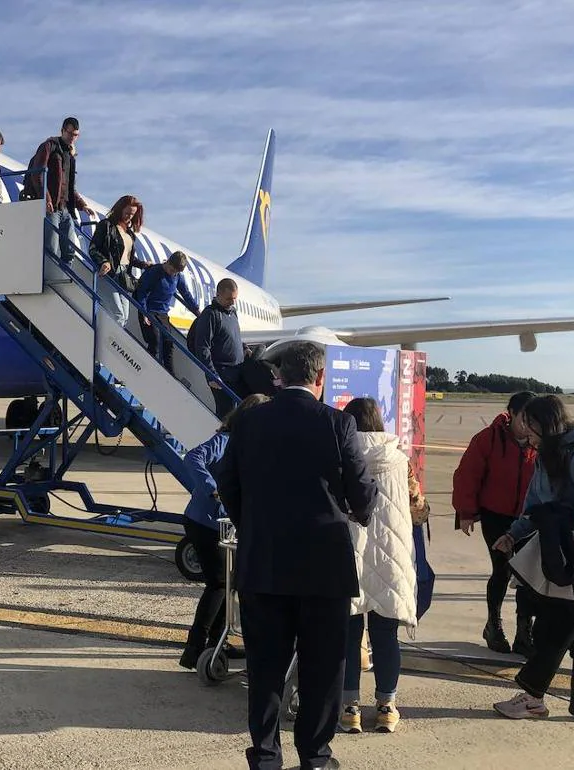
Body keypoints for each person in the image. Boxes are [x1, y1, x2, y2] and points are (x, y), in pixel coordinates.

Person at [216, 342, 378, 770]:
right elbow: (362, 494)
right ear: (320, 379)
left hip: (264, 563)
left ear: (279, 377)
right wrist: (357, 508)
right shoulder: (338, 423)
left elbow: (227, 480)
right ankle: (315, 757)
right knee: (323, 669)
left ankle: (266, 756)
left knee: (265, 668)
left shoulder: (250, 421)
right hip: (323, 567)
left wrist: (252, 524)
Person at [490, 395, 574, 720]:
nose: (524, 429)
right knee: (555, 628)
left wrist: (571, 523)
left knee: (562, 628)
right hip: (556, 554)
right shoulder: (544, 458)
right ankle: (554, 699)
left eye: (529, 422)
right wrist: (513, 534)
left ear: (545, 423)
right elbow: (534, 505)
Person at [338, 397, 418, 735]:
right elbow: (417, 507)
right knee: (386, 636)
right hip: (391, 554)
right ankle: (386, 706)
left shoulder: (340, 455)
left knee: (349, 635)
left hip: (350, 552)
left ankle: (349, 708)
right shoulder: (399, 460)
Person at [177, 393, 271, 670]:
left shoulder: (251, 444)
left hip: (224, 525)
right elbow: (193, 457)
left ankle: (216, 643)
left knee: (229, 585)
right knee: (219, 583)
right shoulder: (226, 440)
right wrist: (212, 489)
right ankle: (195, 648)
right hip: (205, 522)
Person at [452, 390, 539, 655]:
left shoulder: (541, 441)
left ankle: (525, 630)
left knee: (528, 576)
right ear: (511, 414)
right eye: (524, 417)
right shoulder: (488, 439)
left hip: (529, 517)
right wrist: (466, 511)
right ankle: (494, 624)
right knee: (502, 570)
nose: (528, 424)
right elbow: (468, 474)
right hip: (496, 515)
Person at [23, 117, 89, 261]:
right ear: (62, 131)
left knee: (70, 249)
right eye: (70, 133)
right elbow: (38, 173)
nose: (72, 138)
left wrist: (82, 204)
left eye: (75, 135)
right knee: (51, 246)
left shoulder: (69, 155)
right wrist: (46, 198)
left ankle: (63, 276)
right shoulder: (49, 146)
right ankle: (49, 279)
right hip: (51, 207)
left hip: (64, 209)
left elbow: (70, 186)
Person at [88, 195, 151, 328]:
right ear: (120, 209)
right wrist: (104, 261)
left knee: (125, 317)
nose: (129, 216)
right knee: (118, 315)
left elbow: (129, 258)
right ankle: (108, 345)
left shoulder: (130, 234)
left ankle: (110, 342)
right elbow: (93, 248)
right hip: (109, 274)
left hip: (123, 277)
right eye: (127, 212)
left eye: (132, 214)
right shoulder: (106, 225)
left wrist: (143, 264)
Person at [187, 278, 246, 418]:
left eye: (235, 299)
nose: (232, 302)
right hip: (222, 376)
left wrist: (244, 348)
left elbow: (233, 336)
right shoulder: (210, 315)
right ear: (218, 295)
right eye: (229, 299)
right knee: (226, 416)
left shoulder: (232, 312)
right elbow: (202, 347)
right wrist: (212, 375)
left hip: (237, 372)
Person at [133, 252, 200, 373]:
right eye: (171, 269)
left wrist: (197, 310)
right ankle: (148, 372)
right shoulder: (154, 272)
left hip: (163, 314)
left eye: (176, 272)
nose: (172, 273)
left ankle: (171, 375)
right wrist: (143, 312)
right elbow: (141, 292)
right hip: (149, 310)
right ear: (168, 262)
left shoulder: (177, 277)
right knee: (155, 342)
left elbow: (186, 294)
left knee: (169, 344)